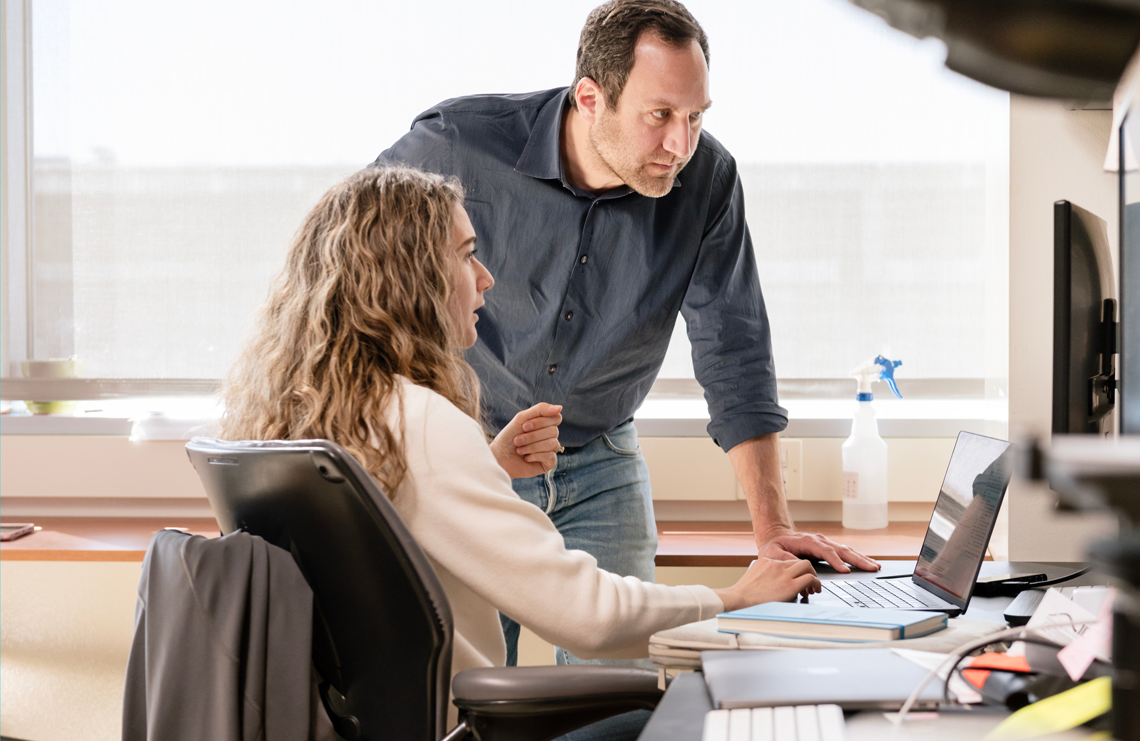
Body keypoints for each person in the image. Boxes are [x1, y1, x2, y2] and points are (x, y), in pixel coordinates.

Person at [220, 167, 821, 737]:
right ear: (407, 279)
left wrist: (489, 467)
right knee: (712, 709)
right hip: (461, 726)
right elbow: (589, 615)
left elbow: (392, 532)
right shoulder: (423, 423)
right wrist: (736, 597)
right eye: (464, 255)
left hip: (356, 726)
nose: (485, 277)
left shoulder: (313, 415)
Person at [376, 0, 877, 668]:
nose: (681, 144)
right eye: (659, 116)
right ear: (590, 98)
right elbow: (358, 279)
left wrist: (772, 531)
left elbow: (734, 349)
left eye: (696, 117)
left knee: (625, 692)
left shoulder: (708, 180)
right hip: (474, 456)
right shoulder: (453, 146)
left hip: (602, 459)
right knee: (469, 684)